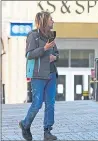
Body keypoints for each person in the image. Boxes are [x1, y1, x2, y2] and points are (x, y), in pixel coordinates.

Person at [19, 11, 59, 141]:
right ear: (44, 21)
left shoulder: (51, 36)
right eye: (51, 19)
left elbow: (57, 53)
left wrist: (55, 57)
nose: (53, 21)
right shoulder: (33, 35)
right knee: (37, 104)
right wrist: (45, 49)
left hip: (51, 74)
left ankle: (47, 131)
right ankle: (25, 124)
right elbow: (29, 54)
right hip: (38, 76)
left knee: (50, 104)